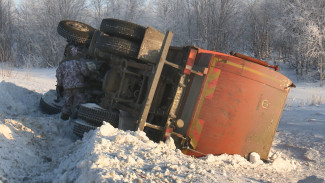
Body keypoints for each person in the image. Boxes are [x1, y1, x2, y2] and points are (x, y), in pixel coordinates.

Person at [56, 44, 90, 120]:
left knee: (66, 103)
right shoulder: (79, 60)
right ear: (75, 51)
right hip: (79, 86)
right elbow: (85, 72)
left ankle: (64, 117)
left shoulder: (62, 62)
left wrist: (60, 84)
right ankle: (79, 117)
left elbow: (59, 75)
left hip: (67, 87)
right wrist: (87, 76)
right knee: (80, 103)